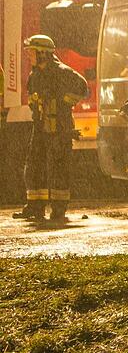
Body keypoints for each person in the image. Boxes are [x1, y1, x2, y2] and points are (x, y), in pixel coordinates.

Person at [12, 35, 88, 222]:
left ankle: (58, 209)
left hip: (59, 128)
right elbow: (33, 98)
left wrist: (63, 102)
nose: (29, 56)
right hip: (40, 126)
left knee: (58, 167)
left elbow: (83, 89)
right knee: (34, 165)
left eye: (32, 53)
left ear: (43, 54)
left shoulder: (62, 72)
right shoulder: (35, 74)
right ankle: (35, 207)